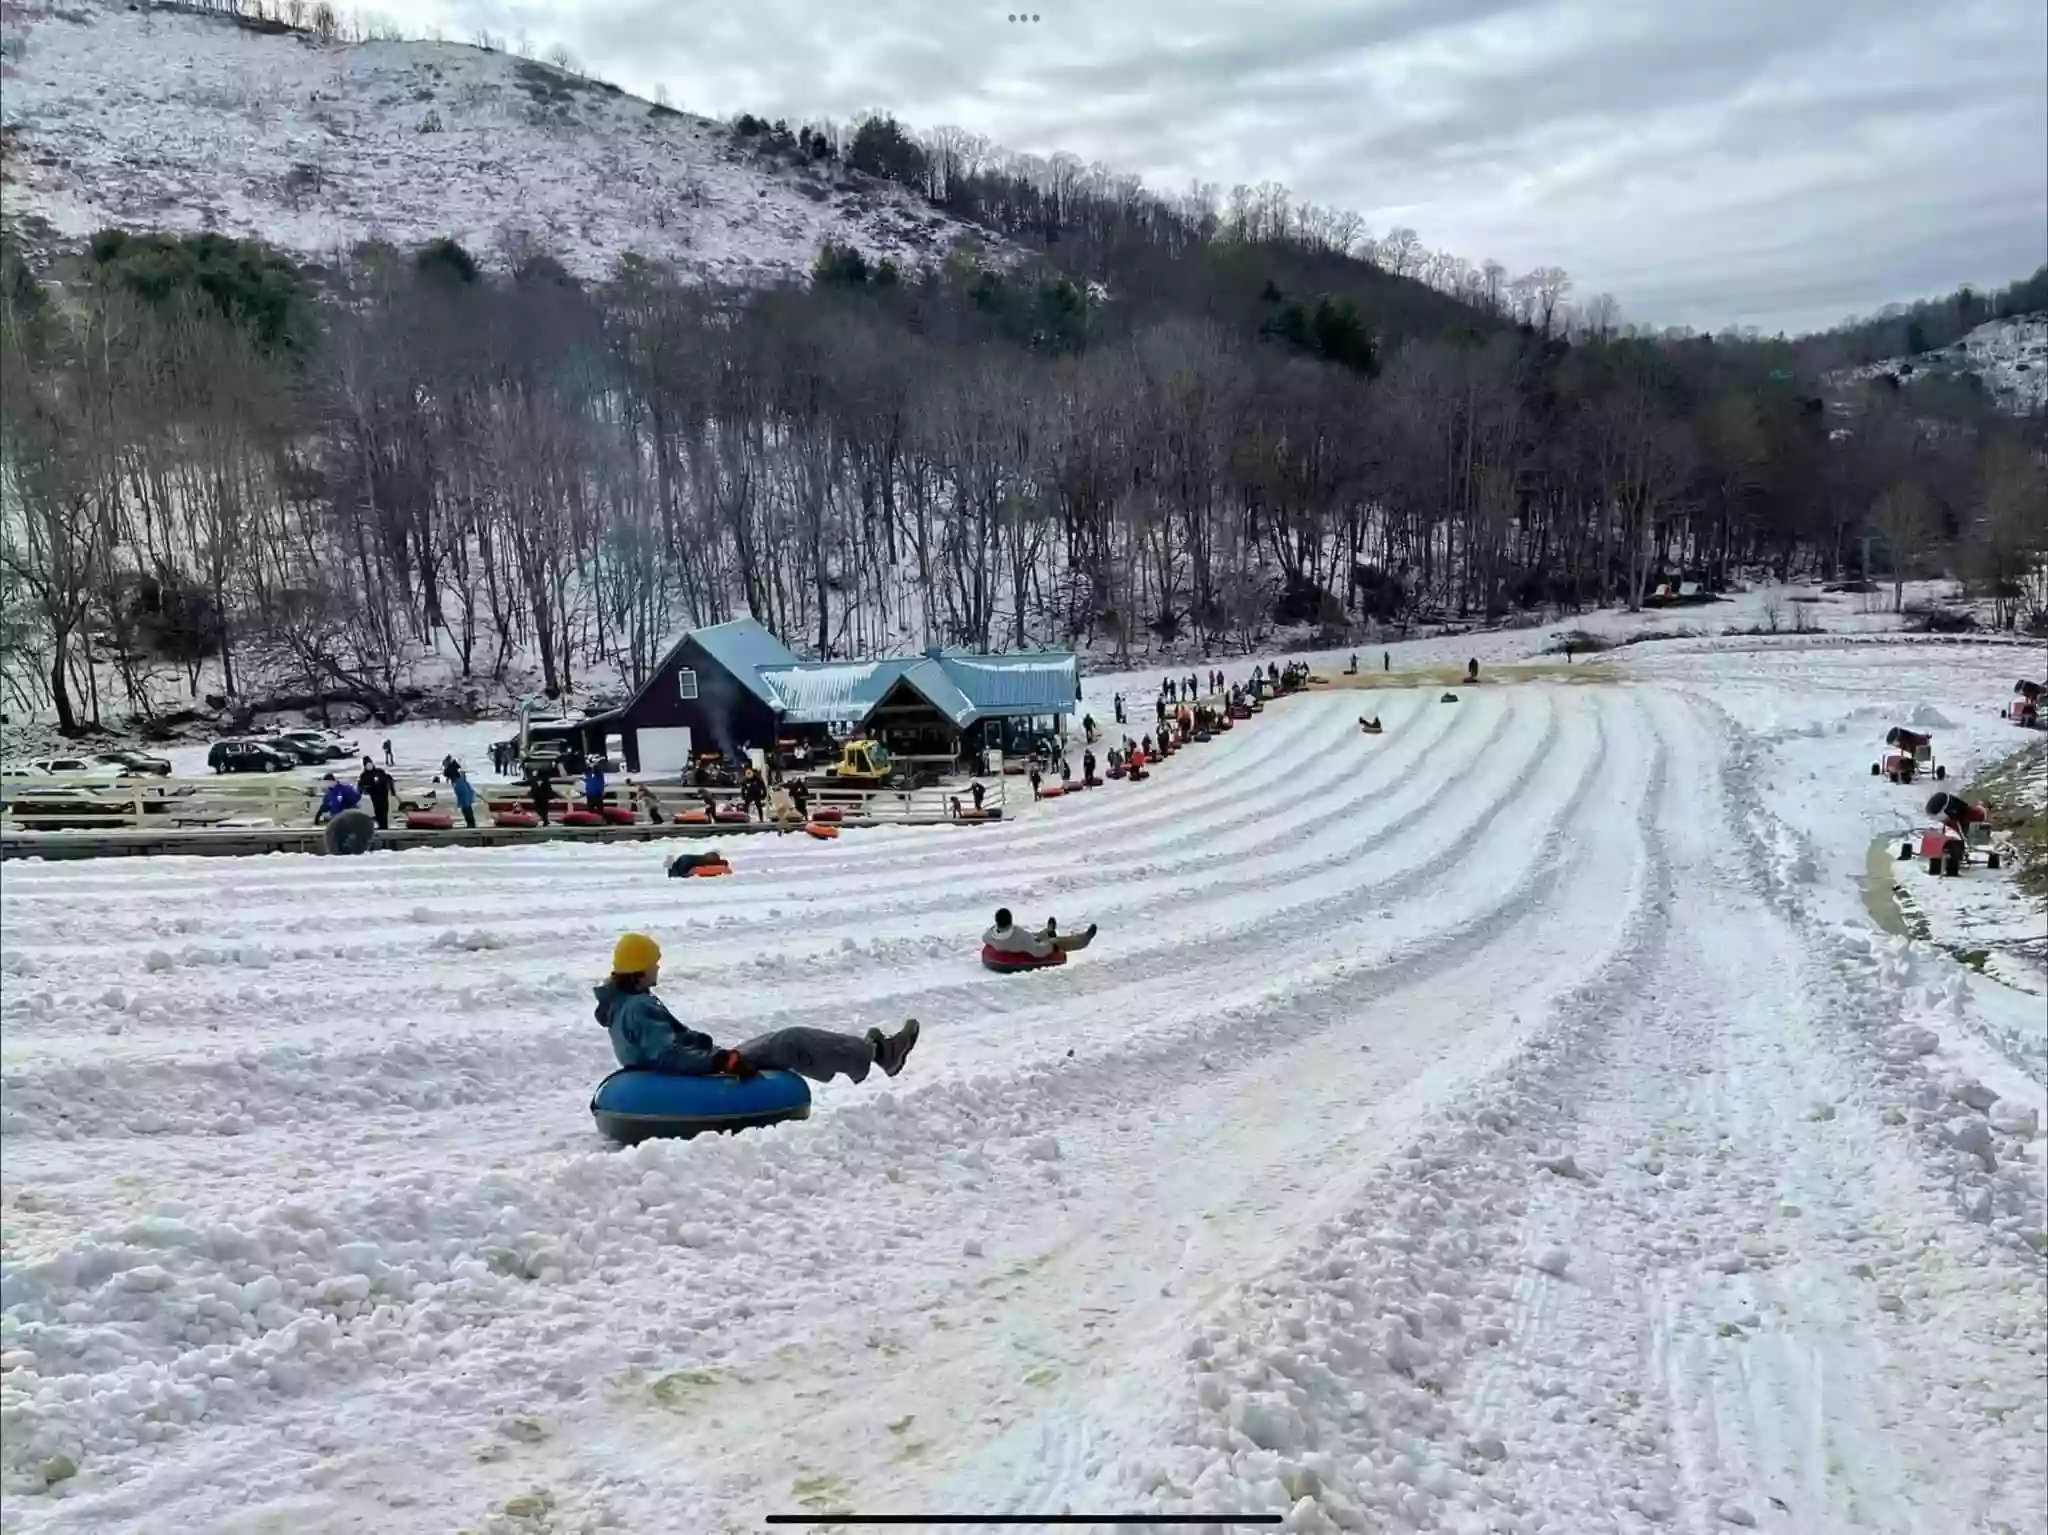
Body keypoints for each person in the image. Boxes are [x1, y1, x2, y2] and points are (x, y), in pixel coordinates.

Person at [598, 934, 919, 1082]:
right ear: (640, 969)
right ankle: (878, 1053)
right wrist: (722, 1059)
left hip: (693, 1065)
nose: (658, 969)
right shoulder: (638, 1008)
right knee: (791, 1040)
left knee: (777, 1040)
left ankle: (869, 1050)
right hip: (696, 1072)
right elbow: (668, 1056)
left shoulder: (623, 1003)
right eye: (654, 964)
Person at [983, 908, 1096, 959]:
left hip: (1020, 944)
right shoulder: (1017, 933)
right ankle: (1083, 940)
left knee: (1035, 935)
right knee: (1054, 941)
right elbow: (1034, 945)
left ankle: (1048, 930)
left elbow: (984, 938)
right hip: (1035, 950)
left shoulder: (991, 934)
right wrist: (1048, 945)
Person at [357, 757, 395, 830]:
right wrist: (363, 790)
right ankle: (381, 825)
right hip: (374, 796)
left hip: (383, 794)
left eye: (370, 763)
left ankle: (384, 826)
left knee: (384, 810)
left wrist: (392, 790)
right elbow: (360, 785)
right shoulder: (364, 775)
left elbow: (388, 780)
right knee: (378, 811)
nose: (369, 766)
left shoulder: (379, 772)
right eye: (367, 764)